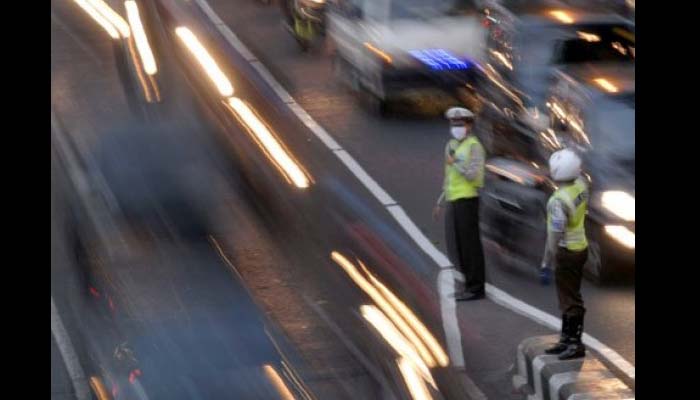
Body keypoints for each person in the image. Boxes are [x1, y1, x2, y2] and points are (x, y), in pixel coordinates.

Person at [433, 107, 486, 301]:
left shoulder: (474, 147)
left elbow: (472, 175)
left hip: (468, 200)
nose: (456, 127)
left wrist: (455, 162)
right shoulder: (451, 145)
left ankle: (476, 287)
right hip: (453, 200)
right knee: (455, 245)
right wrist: (440, 201)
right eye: (453, 124)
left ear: (469, 126)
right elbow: (449, 178)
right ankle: (466, 283)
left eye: (460, 124)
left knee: (469, 245)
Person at [541, 148, 589, 360]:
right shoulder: (581, 187)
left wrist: (547, 261)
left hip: (567, 251)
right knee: (569, 296)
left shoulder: (557, 201)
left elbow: (555, 234)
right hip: (581, 247)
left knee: (569, 299)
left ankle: (574, 343)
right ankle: (566, 339)